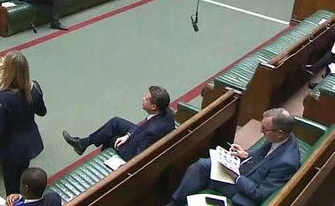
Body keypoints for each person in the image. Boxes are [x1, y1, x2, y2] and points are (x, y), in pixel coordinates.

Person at [167, 108, 301, 206]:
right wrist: (246, 154)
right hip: (244, 171)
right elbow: (263, 154)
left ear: (279, 133)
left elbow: (259, 194)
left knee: (204, 172)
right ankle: (175, 202)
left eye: (264, 129)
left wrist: (236, 177)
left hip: (243, 191)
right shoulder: (280, 137)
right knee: (202, 165)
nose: (261, 131)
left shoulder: (286, 162)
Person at [0, 52, 47, 194]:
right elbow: (42, 111)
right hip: (29, 144)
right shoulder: (34, 88)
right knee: (22, 176)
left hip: (11, 149)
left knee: (11, 188)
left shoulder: (4, 98)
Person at [62, 86, 174, 158]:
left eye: (145, 99)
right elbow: (146, 127)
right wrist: (128, 135)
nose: (142, 99)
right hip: (142, 135)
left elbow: (138, 157)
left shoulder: (151, 132)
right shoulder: (166, 111)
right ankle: (83, 143)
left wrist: (124, 141)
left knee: (110, 138)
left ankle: (103, 161)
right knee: (115, 123)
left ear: (154, 106)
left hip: (135, 149)